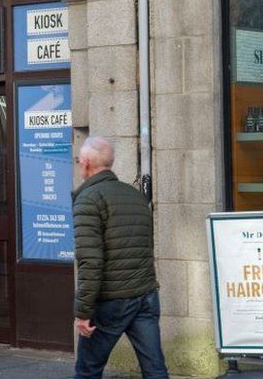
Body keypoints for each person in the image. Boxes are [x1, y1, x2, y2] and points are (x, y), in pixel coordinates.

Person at [72, 136, 167, 379]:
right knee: (155, 369)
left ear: (85, 162)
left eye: (77, 160)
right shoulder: (135, 196)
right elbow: (145, 248)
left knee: (87, 370)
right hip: (145, 295)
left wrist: (83, 312)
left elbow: (90, 261)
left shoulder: (88, 200)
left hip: (111, 301)